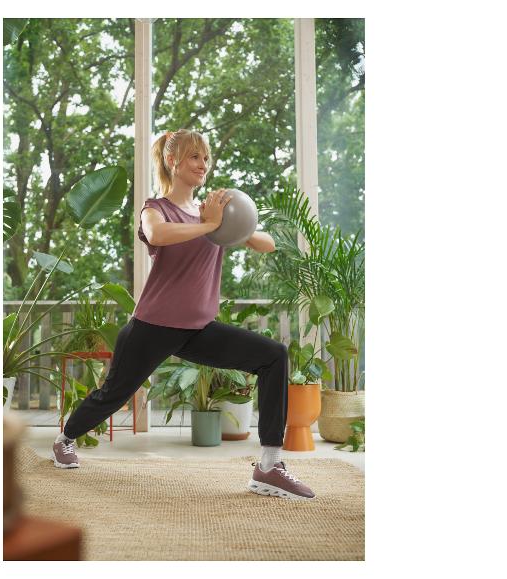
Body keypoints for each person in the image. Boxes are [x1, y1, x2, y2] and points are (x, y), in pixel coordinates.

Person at [52, 129, 315, 500]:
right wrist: (208, 225)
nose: (203, 165)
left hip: (198, 328)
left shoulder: (212, 214)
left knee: (274, 355)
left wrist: (229, 222)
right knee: (113, 394)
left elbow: (266, 245)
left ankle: (269, 466)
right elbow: (157, 235)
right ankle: (64, 440)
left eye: (206, 158)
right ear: (173, 162)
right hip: (153, 326)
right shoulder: (156, 209)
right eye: (194, 157)